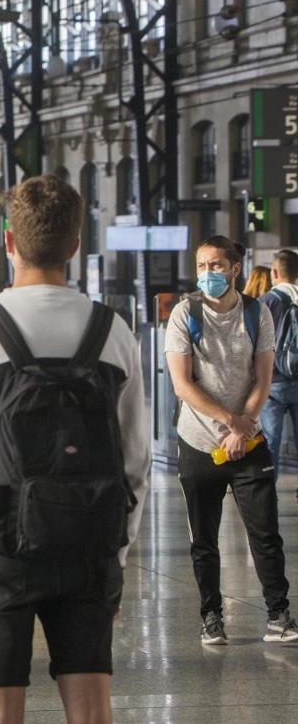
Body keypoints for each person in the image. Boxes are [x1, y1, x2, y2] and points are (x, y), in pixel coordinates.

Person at [0, 175, 151, 723]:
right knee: (91, 703)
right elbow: (134, 459)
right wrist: (116, 546)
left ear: (8, 242)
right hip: (90, 540)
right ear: (75, 245)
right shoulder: (113, 332)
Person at [165, 235, 298, 645]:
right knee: (203, 539)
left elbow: (263, 377)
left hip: (249, 442)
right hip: (199, 440)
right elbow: (182, 384)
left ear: (235, 269)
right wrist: (230, 422)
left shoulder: (258, 312)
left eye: (216, 266)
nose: (208, 273)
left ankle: (279, 615)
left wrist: (246, 425)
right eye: (202, 266)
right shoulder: (184, 313)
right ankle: (211, 616)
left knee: (265, 532)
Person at [262, 249, 298, 483]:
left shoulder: (264, 302)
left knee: (270, 444)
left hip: (271, 383)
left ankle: (267, 499)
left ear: (274, 272)